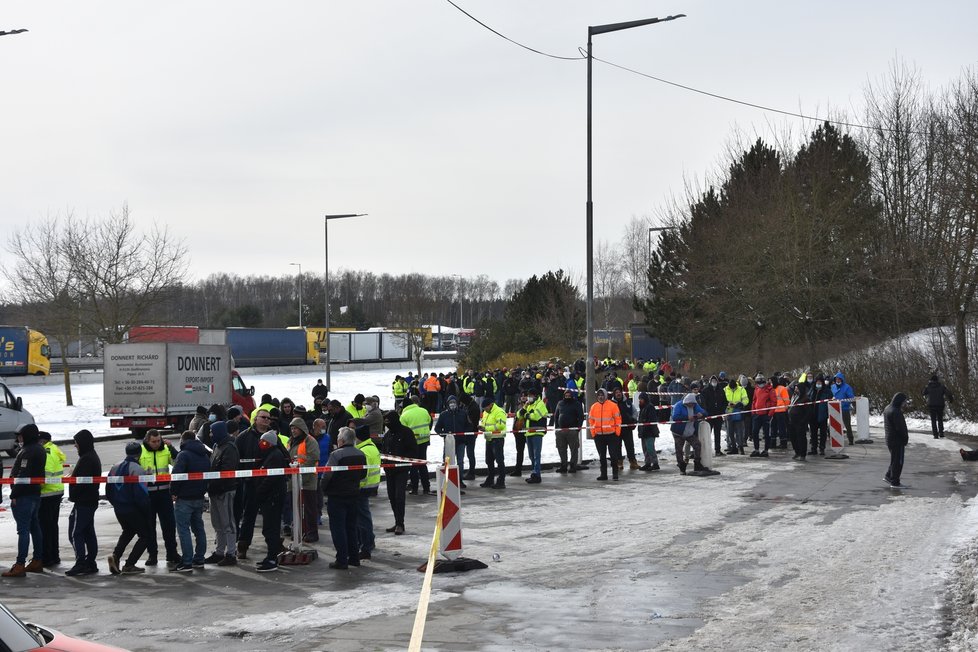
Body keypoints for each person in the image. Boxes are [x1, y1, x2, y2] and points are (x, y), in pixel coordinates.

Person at [2, 424, 46, 577]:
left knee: (23, 530)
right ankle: (37, 560)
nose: (18, 439)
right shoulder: (39, 449)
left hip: (24, 496)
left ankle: (20, 564)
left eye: (20, 436)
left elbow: (22, 475)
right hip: (34, 493)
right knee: (34, 527)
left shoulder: (27, 451)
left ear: (27, 436)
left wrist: (14, 494)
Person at [323, 428, 367, 570]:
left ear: (341, 440)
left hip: (337, 496)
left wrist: (323, 488)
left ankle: (341, 559)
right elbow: (363, 473)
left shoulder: (336, 455)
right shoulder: (361, 454)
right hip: (354, 494)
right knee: (351, 527)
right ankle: (354, 557)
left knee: (338, 528)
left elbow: (327, 475)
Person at [106, 441, 152, 575]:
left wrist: (116, 503)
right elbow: (141, 494)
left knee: (128, 531)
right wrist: (146, 510)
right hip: (133, 508)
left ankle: (115, 556)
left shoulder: (115, 467)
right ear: (140, 453)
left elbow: (109, 490)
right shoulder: (137, 469)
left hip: (119, 508)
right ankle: (130, 564)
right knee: (145, 536)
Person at [170, 431, 210, 573]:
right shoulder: (204, 454)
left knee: (183, 530)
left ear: (183, 440)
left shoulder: (184, 455)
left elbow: (177, 475)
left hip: (184, 498)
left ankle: (186, 562)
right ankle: (199, 559)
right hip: (199, 497)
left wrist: (173, 492)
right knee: (199, 528)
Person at [139, 429, 179, 568]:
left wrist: (172, 448)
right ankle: (152, 555)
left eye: (158, 441)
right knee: (149, 527)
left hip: (164, 493)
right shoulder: (141, 451)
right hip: (148, 495)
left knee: (169, 525)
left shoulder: (166, 449)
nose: (156, 444)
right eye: (153, 442)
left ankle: (172, 553)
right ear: (147, 441)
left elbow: (177, 462)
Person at [235, 407, 270, 561]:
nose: (266, 421)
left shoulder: (272, 436)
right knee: (249, 517)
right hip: (250, 483)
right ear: (256, 419)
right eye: (263, 417)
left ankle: (274, 544)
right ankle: (242, 546)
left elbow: (283, 456)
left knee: (271, 517)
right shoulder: (244, 437)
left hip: (269, 483)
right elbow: (237, 459)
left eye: (268, 418)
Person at [65, 429, 101, 576]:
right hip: (89, 500)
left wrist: (74, 489)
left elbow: (83, 483)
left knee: (75, 532)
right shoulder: (91, 456)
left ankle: (81, 563)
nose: (75, 446)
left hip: (84, 501)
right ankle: (90, 562)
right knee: (88, 532)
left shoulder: (87, 459)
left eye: (76, 443)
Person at [205, 420, 239, 566]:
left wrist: (213, 485)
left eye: (212, 432)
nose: (210, 435)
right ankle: (220, 551)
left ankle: (231, 553)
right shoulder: (217, 446)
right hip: (215, 491)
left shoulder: (229, 448)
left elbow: (226, 471)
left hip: (224, 491)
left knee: (228, 523)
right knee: (218, 523)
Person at [255, 431, 289, 572]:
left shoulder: (274, 456)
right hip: (271, 497)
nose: (261, 444)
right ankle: (271, 555)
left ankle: (272, 558)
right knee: (269, 528)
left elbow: (271, 478)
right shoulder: (271, 455)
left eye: (264, 442)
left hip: (272, 498)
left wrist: (260, 491)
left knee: (271, 529)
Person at [382, 410, 418, 535]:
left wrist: (403, 461)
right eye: (385, 421)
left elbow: (413, 450)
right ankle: (397, 521)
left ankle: (400, 524)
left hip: (401, 470)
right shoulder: (387, 436)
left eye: (388, 421)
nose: (387, 424)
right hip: (389, 471)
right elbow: (383, 451)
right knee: (391, 497)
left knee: (399, 497)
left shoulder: (406, 432)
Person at [288, 417, 320, 543]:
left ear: (301, 429)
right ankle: (298, 532)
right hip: (294, 481)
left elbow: (313, 458)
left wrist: (300, 473)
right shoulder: (291, 441)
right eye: (292, 428)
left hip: (308, 481)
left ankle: (311, 532)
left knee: (309, 509)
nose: (293, 430)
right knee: (295, 509)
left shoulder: (310, 441)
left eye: (295, 428)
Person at [37, 430, 66, 567]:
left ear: (42, 441)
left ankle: (47, 557)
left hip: (47, 493)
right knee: (52, 526)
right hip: (56, 491)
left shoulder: (46, 452)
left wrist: (37, 487)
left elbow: (45, 475)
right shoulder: (54, 449)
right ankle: (54, 555)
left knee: (45, 527)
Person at [670, 393, 716, 475]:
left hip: (690, 431)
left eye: (693, 404)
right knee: (679, 449)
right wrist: (687, 418)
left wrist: (701, 414)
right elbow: (675, 417)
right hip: (678, 432)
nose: (691, 405)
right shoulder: (678, 405)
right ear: (686, 402)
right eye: (690, 404)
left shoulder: (695, 406)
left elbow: (705, 412)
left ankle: (697, 463)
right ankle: (681, 466)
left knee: (697, 444)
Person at [354, 425, 381, 560]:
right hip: (371, 485)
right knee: (364, 517)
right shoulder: (372, 447)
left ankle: (366, 545)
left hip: (362, 487)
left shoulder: (362, 451)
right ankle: (368, 542)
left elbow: (360, 473)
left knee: (362, 519)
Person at [435, 395, 473, 488]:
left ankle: (460, 481)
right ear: (448, 404)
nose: (452, 405)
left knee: (460, 462)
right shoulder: (444, 414)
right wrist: (443, 434)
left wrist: (465, 434)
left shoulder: (463, 413)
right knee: (447, 461)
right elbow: (437, 427)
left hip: (461, 441)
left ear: (457, 403)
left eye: (454, 403)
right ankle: (446, 480)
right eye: (451, 403)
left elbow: (469, 425)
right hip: (449, 442)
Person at [401, 397, 434, 495]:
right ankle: (426, 488)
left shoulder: (404, 416)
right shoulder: (423, 411)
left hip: (413, 443)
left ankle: (415, 488)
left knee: (413, 466)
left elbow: (403, 431)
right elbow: (429, 422)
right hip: (424, 441)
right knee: (423, 464)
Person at [588, 389, 622, 481]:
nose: (600, 397)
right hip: (599, 436)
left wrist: (617, 433)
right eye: (599, 395)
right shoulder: (594, 407)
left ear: (606, 396)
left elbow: (618, 420)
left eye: (602, 395)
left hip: (611, 435)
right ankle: (603, 474)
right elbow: (591, 421)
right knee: (602, 456)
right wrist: (593, 433)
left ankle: (615, 473)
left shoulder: (613, 406)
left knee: (613, 455)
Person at [518, 389, 549, 484]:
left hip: (537, 432)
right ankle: (534, 473)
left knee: (536, 455)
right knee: (532, 455)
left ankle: (537, 474)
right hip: (529, 432)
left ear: (535, 396)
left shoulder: (540, 404)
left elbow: (536, 416)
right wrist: (524, 408)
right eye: (528, 395)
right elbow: (519, 415)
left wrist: (526, 414)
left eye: (530, 395)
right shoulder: (529, 405)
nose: (529, 397)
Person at [552, 388, 585, 473]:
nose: (567, 397)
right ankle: (563, 465)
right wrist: (557, 428)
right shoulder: (560, 403)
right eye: (566, 395)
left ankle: (573, 466)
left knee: (574, 449)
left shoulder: (576, 404)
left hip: (572, 430)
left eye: (569, 395)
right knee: (561, 449)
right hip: (561, 430)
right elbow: (556, 415)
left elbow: (581, 416)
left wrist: (578, 428)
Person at [479, 397, 509, 489]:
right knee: (489, 460)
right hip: (489, 439)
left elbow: (500, 425)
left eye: (485, 408)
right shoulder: (485, 412)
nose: (485, 410)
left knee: (499, 460)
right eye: (483, 409)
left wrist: (486, 429)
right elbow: (484, 422)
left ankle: (501, 481)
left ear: (490, 405)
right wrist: (481, 426)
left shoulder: (499, 412)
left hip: (497, 438)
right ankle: (490, 479)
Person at [883, 393, 910, 487]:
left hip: (890, 439)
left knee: (894, 460)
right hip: (897, 440)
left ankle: (888, 476)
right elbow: (900, 428)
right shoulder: (896, 412)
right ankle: (895, 481)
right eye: (904, 402)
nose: (905, 404)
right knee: (898, 462)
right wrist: (905, 439)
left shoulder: (888, 408)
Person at [749, 374, 777, 458]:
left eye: (761, 382)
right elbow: (754, 400)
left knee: (767, 433)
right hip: (757, 415)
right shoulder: (756, 389)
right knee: (754, 432)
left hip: (766, 414)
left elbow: (774, 403)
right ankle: (756, 449)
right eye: (758, 382)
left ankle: (766, 450)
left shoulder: (770, 390)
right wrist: (753, 412)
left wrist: (770, 414)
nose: (760, 384)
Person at [612, 388, 640, 470]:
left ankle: (633, 462)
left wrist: (633, 419)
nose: (618, 394)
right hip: (616, 429)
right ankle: (619, 462)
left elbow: (635, 411)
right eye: (616, 392)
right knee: (617, 446)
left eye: (619, 392)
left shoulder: (627, 402)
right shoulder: (611, 403)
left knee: (630, 446)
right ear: (614, 394)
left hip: (627, 428)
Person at [701, 375, 726, 457]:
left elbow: (724, 402)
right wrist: (705, 412)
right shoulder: (705, 390)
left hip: (718, 415)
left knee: (717, 433)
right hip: (709, 415)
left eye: (715, 381)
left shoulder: (721, 390)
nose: (714, 382)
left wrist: (722, 410)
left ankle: (718, 450)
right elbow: (703, 403)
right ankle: (706, 450)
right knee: (707, 433)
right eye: (712, 381)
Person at [923, 374, 954, 439]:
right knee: (940, 419)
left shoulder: (929, 386)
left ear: (931, 380)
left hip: (931, 405)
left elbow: (923, 392)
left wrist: (926, 388)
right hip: (940, 405)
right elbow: (948, 393)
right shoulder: (942, 386)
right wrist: (951, 399)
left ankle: (935, 434)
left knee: (933, 420)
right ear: (937, 380)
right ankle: (941, 433)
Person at [636, 392, 661, 471]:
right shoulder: (642, 407)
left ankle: (655, 463)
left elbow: (652, 420)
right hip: (644, 431)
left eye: (641, 399)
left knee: (650, 448)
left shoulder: (649, 407)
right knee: (645, 448)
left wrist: (645, 423)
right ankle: (648, 463)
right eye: (639, 399)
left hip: (649, 431)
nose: (640, 401)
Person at [724, 377, 749, 454]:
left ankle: (740, 447)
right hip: (729, 412)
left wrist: (740, 404)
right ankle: (733, 447)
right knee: (730, 431)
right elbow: (722, 400)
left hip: (738, 411)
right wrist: (727, 404)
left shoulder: (741, 389)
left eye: (734, 388)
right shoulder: (725, 389)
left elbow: (746, 400)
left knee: (739, 431)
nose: (733, 389)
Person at [831, 372, 856, 445]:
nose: (837, 380)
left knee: (847, 425)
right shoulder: (833, 387)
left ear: (842, 379)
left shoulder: (847, 387)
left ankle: (850, 439)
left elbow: (851, 398)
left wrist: (845, 402)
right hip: (834, 408)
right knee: (834, 425)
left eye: (839, 379)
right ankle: (836, 439)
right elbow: (830, 395)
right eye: (836, 379)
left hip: (844, 408)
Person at [788, 380, 810, 461]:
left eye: (797, 389)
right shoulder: (794, 397)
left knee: (801, 438)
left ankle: (802, 454)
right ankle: (797, 452)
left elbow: (808, 412)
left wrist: (803, 421)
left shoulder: (806, 399)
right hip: (791, 421)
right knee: (793, 438)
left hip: (800, 422)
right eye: (795, 388)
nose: (795, 390)